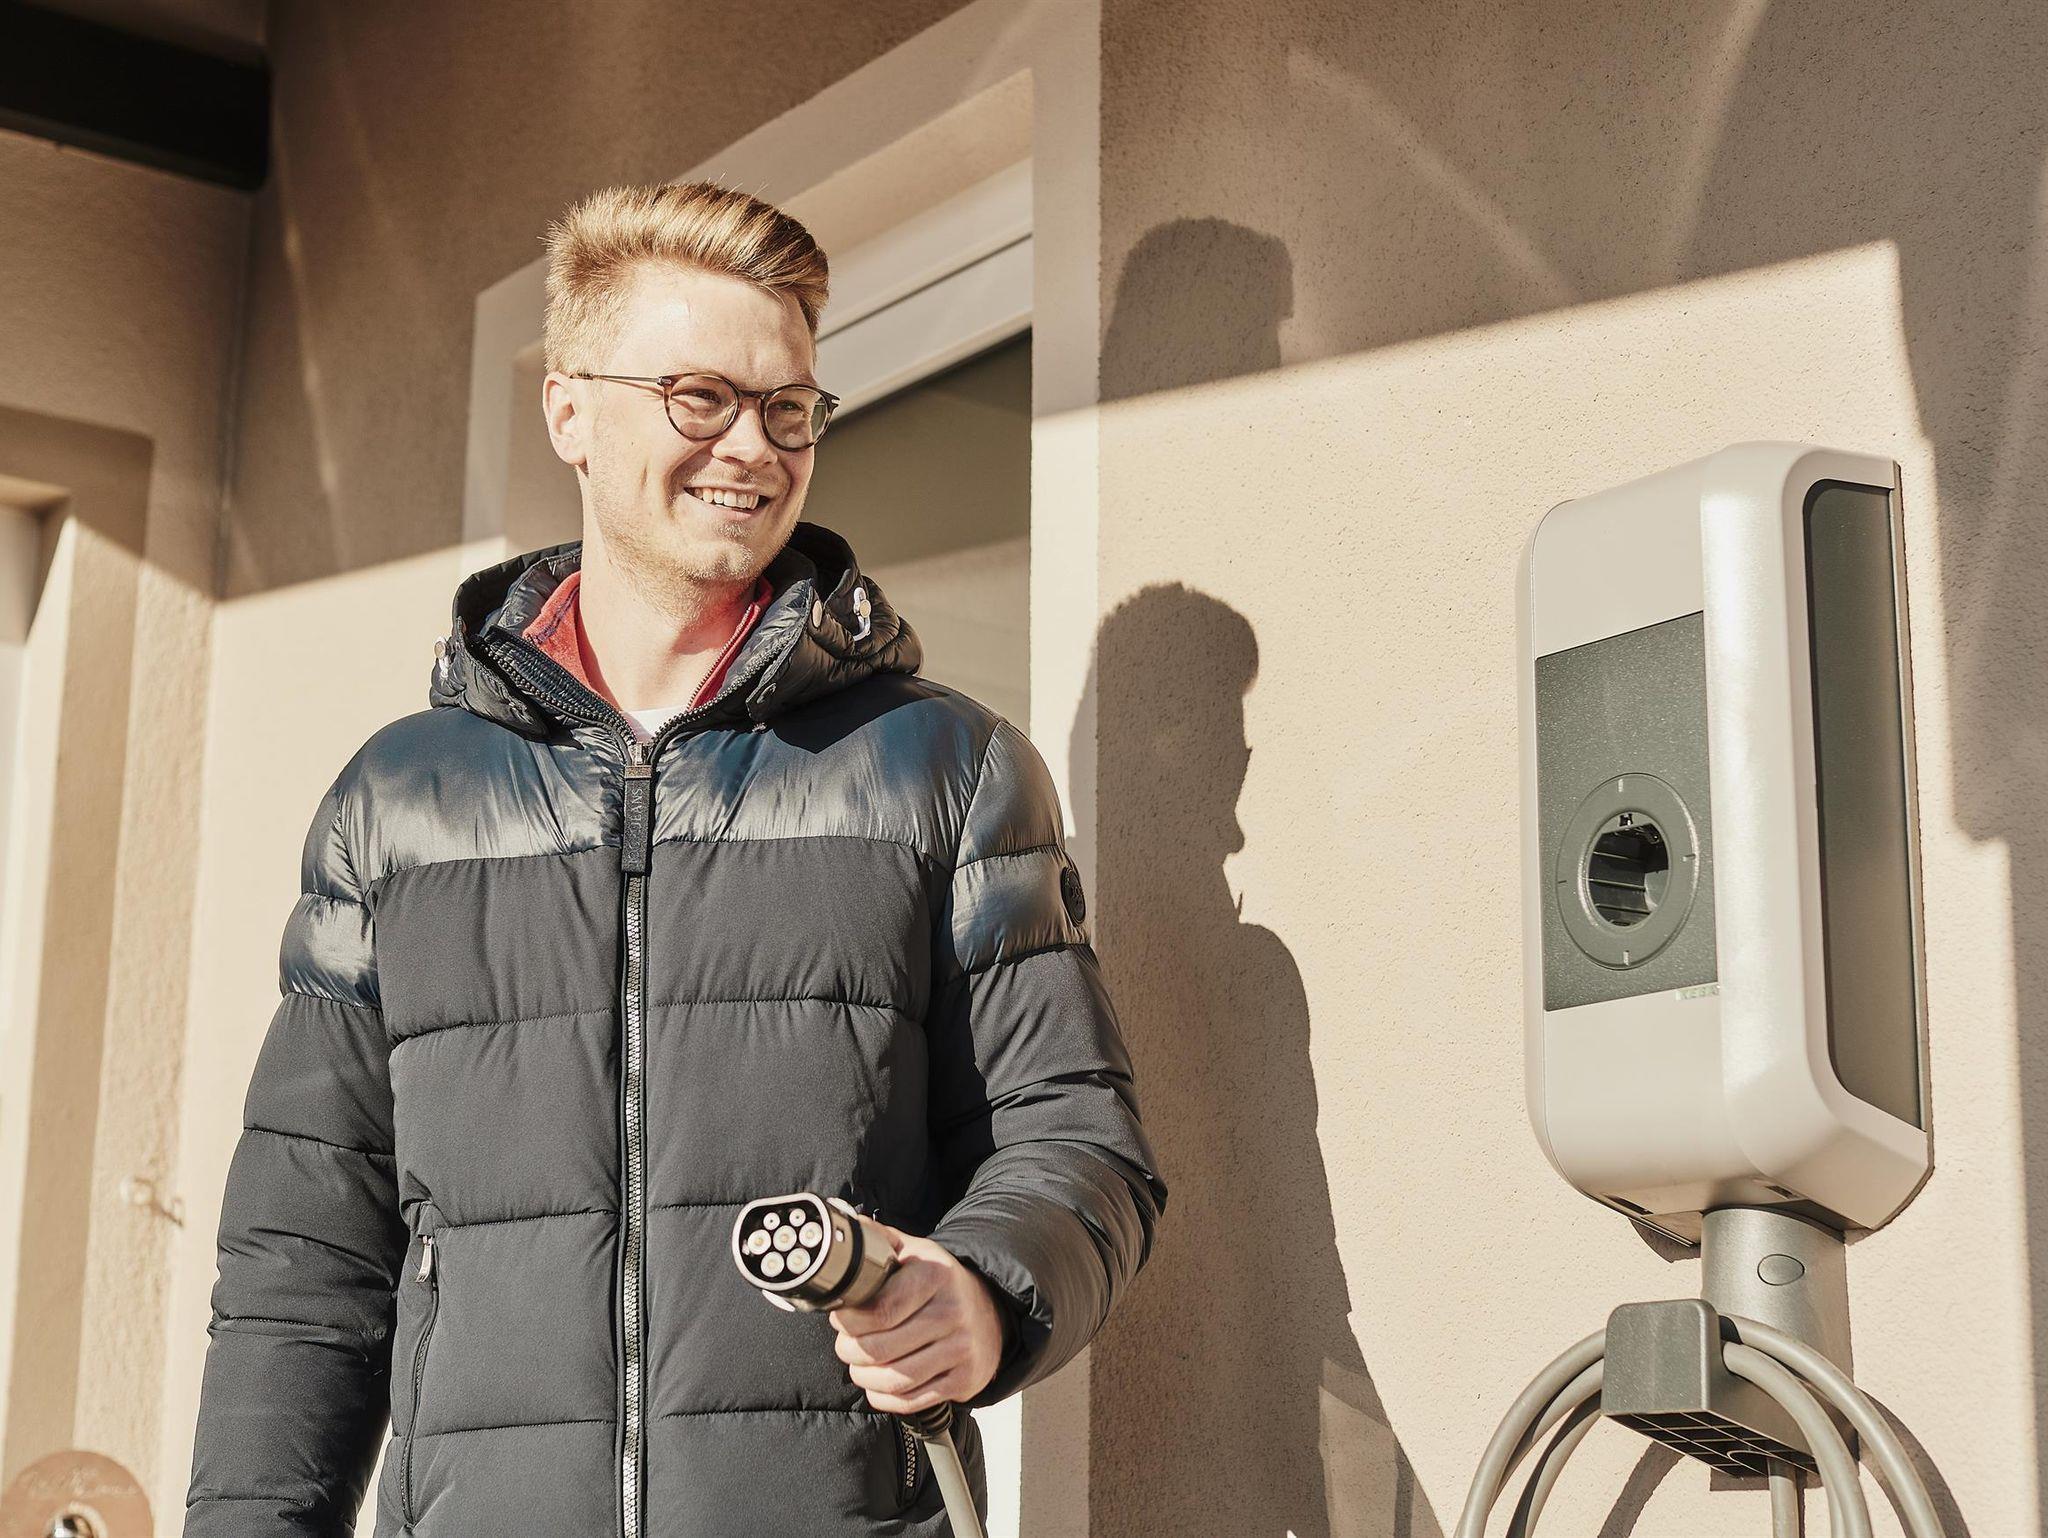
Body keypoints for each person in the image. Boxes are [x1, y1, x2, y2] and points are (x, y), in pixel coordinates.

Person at [181, 181, 1166, 1538]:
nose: (752, 448)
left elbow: (1077, 1144)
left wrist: (985, 1289)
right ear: (570, 412)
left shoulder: (944, 770)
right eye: (701, 398)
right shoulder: (398, 806)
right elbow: (303, 1265)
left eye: (789, 408)